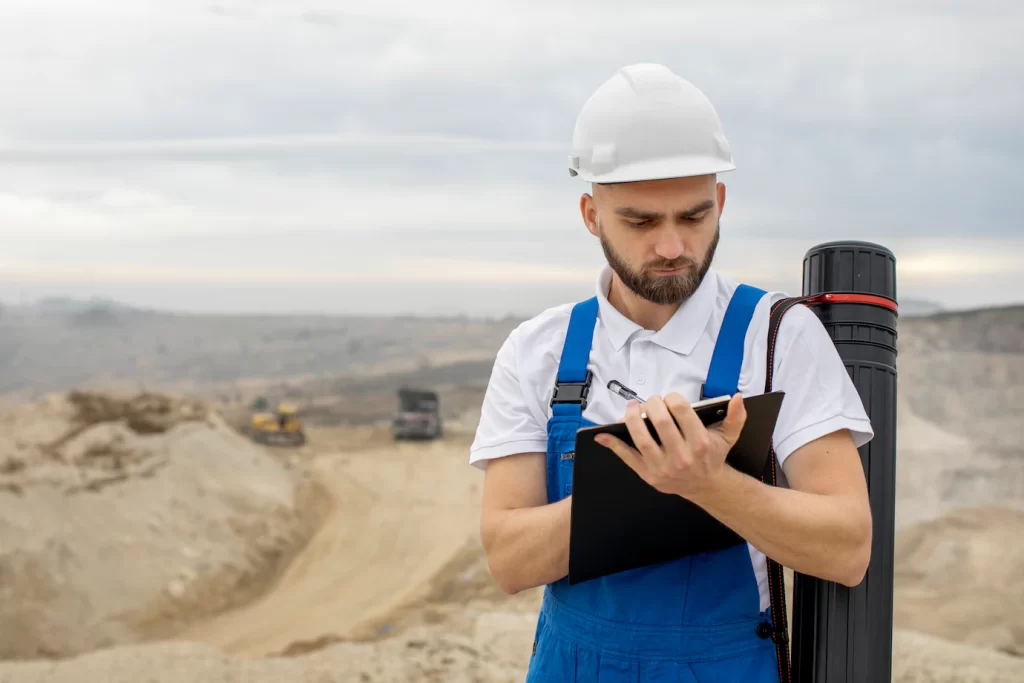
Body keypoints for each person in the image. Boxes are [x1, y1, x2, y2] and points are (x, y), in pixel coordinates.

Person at [470, 63, 874, 682]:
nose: (671, 247)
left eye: (692, 217)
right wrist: (642, 483)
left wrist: (711, 484)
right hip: (573, 665)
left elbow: (848, 547)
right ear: (589, 212)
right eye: (640, 221)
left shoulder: (778, 336)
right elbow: (509, 560)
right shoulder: (537, 351)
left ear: (719, 201)